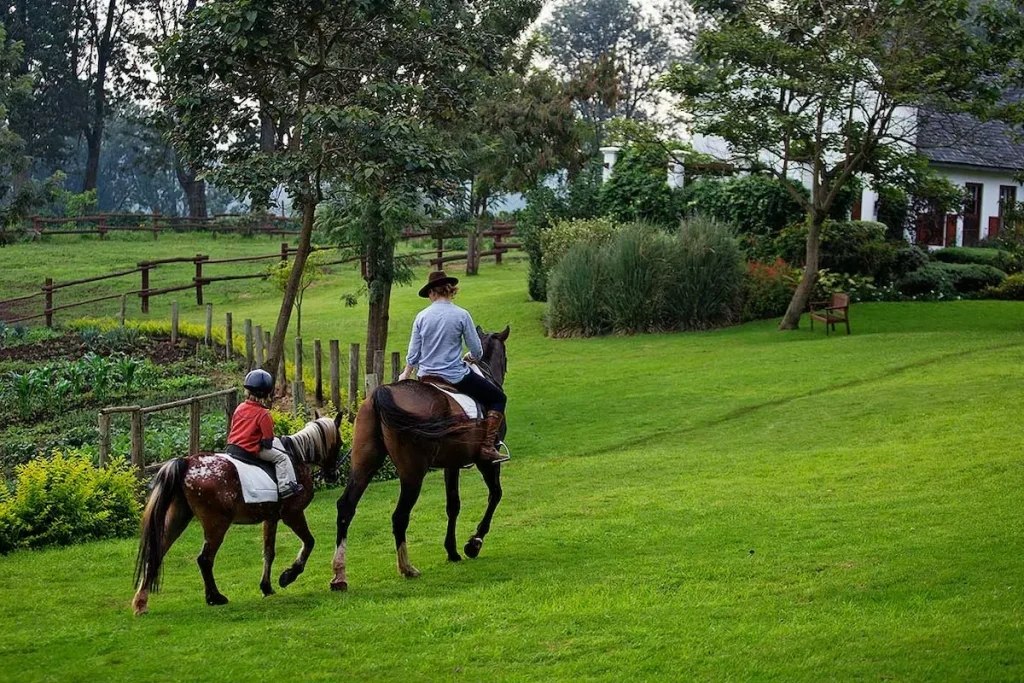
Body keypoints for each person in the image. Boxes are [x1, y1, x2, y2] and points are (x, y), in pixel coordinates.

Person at [398, 270, 510, 464]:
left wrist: (406, 373)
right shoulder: (461, 315)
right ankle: (487, 446)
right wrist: (471, 356)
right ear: (449, 291)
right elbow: (477, 350)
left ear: (433, 293)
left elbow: (414, 352)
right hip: (454, 376)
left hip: (426, 377)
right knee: (499, 397)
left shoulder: (421, 317)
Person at [225, 369, 303, 498]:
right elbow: (267, 443)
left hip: (232, 448)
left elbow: (234, 428)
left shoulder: (239, 408)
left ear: (247, 390)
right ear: (267, 393)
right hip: (249, 452)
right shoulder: (264, 414)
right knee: (282, 457)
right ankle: (285, 487)